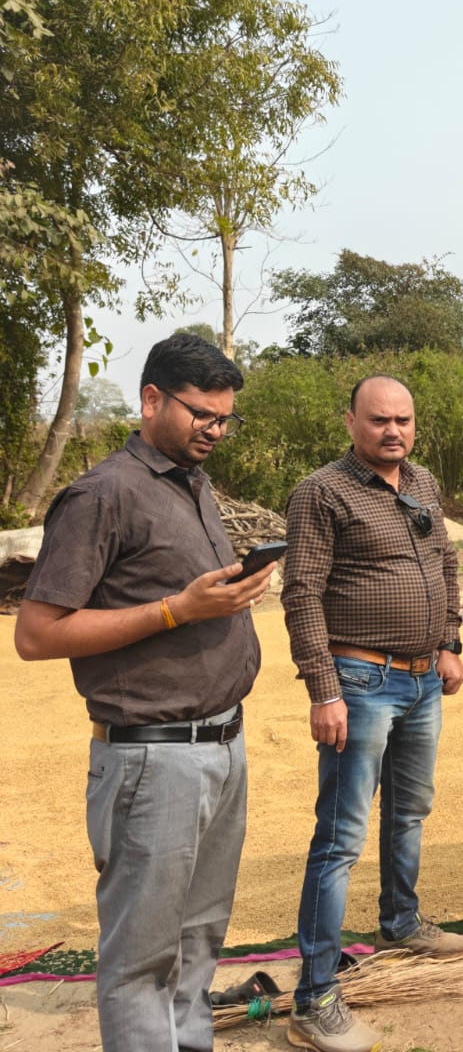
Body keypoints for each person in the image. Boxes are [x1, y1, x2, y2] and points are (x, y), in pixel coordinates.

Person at [14, 333, 274, 1052]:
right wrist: (175, 611)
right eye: (202, 414)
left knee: (198, 939)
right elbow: (36, 634)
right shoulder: (103, 495)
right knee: (140, 961)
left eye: (225, 419)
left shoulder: (191, 482)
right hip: (152, 760)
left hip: (221, 745)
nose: (215, 430)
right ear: (151, 399)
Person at [281, 375, 463, 1052]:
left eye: (404, 420)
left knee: (410, 811)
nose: (394, 431)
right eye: (380, 420)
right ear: (351, 422)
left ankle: (401, 922)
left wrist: (449, 642)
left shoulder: (422, 482)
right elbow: (301, 593)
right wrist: (323, 689)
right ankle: (314, 999)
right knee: (340, 838)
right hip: (359, 682)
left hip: (422, 680)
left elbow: (445, 565)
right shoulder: (322, 492)